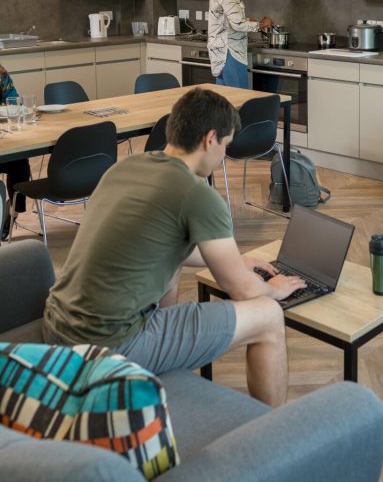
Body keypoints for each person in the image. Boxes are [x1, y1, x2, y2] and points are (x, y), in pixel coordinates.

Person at [43, 87, 305, 407]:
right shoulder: (197, 194)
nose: (224, 155)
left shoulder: (124, 167)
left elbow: (160, 244)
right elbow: (242, 290)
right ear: (210, 139)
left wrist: (237, 261)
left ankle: (166, 366)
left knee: (175, 258)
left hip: (57, 326)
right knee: (268, 316)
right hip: (109, 347)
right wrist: (274, 289)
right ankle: (278, 429)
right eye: (225, 145)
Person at [207, 0, 272, 88]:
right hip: (231, 53)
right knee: (240, 97)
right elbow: (237, 24)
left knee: (223, 98)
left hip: (221, 55)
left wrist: (247, 20)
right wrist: (261, 25)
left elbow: (228, 20)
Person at [0, 63, 31, 239]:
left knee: (20, 163)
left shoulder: (1, 75)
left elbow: (14, 102)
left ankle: (12, 213)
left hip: (4, 139)